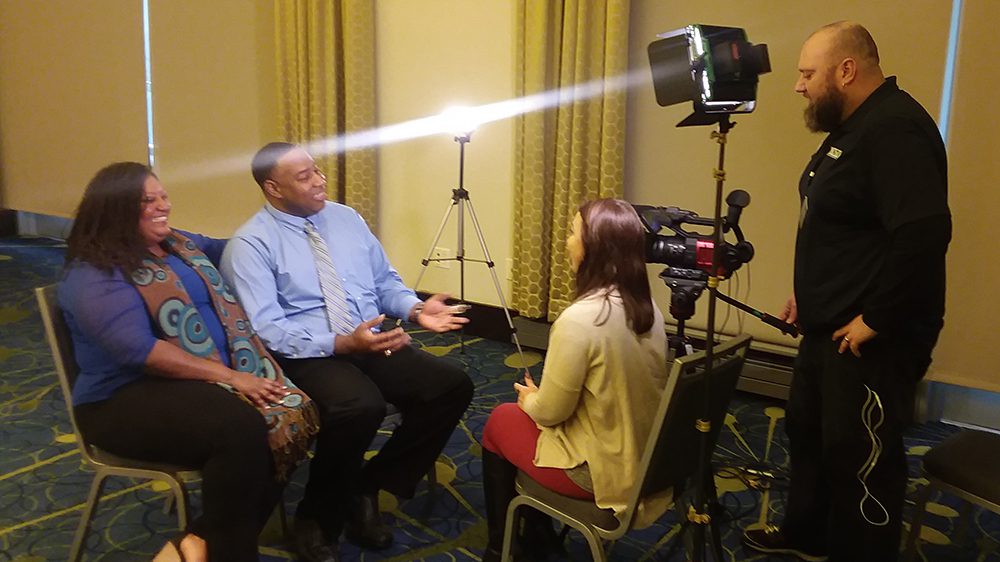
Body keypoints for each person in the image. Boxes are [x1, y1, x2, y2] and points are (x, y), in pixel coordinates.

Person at [742, 22, 951, 562]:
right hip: (827, 323)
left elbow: (924, 234)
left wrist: (875, 318)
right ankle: (808, 535)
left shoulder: (895, 130)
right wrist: (808, 293)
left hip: (871, 339)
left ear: (847, 70)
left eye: (807, 74)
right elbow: (840, 222)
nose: (798, 86)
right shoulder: (855, 124)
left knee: (861, 455)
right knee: (809, 433)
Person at [220, 142, 475, 562]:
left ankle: (366, 485)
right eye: (304, 177)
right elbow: (267, 330)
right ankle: (316, 517)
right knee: (360, 406)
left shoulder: (347, 220)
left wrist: (414, 307)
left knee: (450, 386)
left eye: (316, 170)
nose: (320, 180)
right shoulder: (251, 245)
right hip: (307, 352)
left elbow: (385, 283)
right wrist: (341, 343)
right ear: (273, 188)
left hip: (367, 339)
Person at [60, 162, 319, 561]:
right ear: (115, 210)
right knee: (240, 429)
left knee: (286, 408)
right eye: (148, 200)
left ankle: (195, 543)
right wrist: (233, 377)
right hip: (119, 400)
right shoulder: (94, 273)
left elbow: (234, 247)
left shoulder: (177, 245)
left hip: (187, 385)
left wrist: (284, 229)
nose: (163, 205)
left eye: (163, 195)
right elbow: (139, 351)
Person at [478, 198, 671, 561]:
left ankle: (502, 545)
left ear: (595, 248)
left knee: (501, 420)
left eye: (571, 232)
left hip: (598, 474)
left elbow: (551, 413)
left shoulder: (581, 320)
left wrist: (529, 399)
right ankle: (536, 531)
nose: (567, 241)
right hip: (645, 459)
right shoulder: (648, 309)